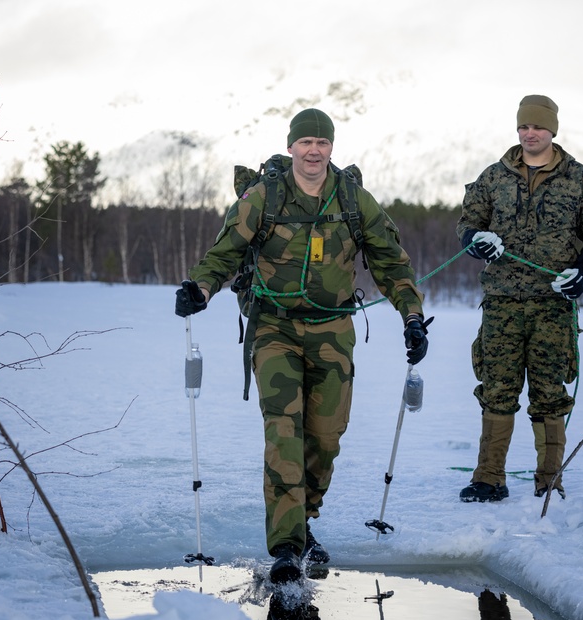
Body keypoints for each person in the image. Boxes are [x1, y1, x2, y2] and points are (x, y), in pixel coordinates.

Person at [174, 108, 429, 584]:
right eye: (305, 142)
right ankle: (287, 546)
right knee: (283, 432)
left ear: (331, 147)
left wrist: (412, 317)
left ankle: (302, 519)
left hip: (334, 329)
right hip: (275, 329)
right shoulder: (263, 197)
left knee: (326, 437)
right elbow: (225, 252)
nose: (314, 150)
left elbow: (392, 264)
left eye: (322, 142)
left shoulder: (353, 200)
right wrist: (201, 289)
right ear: (291, 146)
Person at [456, 94, 583, 503]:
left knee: (548, 394)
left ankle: (549, 479)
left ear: (553, 130)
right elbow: (468, 223)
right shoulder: (493, 177)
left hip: (552, 305)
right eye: (524, 126)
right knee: (497, 390)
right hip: (503, 303)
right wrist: (476, 240)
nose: (530, 133)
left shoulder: (579, 179)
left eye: (538, 127)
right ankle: (488, 478)